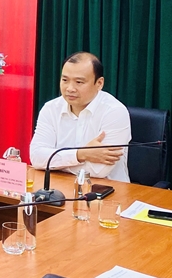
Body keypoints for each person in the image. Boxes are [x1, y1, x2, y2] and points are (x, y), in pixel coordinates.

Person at [29, 52, 131, 181]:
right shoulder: (51, 108)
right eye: (65, 80)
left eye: (79, 82)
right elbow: (37, 158)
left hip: (107, 189)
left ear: (99, 83)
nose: (70, 88)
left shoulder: (115, 112)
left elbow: (99, 171)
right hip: (58, 185)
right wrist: (81, 154)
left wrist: (54, 163)